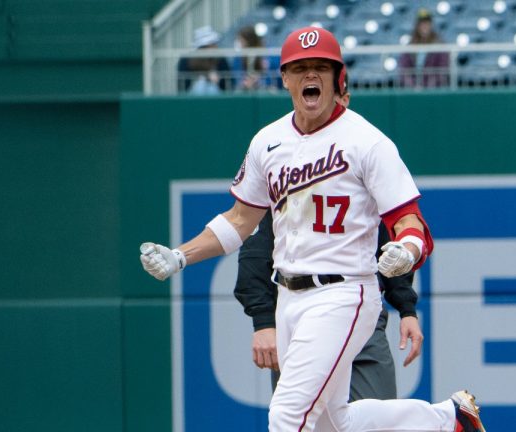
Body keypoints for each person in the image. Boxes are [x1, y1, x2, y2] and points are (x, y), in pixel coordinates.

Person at [140, 26, 486, 432]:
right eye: (300, 67)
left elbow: (410, 221)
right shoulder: (267, 142)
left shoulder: (367, 141)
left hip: (344, 292)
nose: (311, 75)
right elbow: (240, 221)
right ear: (284, 78)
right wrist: (181, 255)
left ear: (338, 77)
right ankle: (450, 418)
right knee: (334, 421)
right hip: (288, 297)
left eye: (321, 67)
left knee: (286, 415)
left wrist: (407, 249)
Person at [235, 212, 422, 401]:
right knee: (297, 419)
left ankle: (447, 417)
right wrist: (263, 322)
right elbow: (256, 253)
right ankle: (448, 415)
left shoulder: (364, 182)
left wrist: (407, 309)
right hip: (300, 311)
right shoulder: (279, 183)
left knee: (381, 418)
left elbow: (388, 245)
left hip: (360, 307)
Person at [399, 9, 449, 89]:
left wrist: (429, 86)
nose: (424, 26)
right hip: (413, 90)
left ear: (431, 25)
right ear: (417, 26)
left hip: (434, 90)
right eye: (422, 23)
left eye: (427, 23)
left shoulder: (439, 45)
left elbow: (442, 70)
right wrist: (413, 86)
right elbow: (404, 69)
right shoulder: (411, 45)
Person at [177, 25, 232, 94]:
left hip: (217, 98)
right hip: (193, 99)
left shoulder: (220, 59)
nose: (215, 46)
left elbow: (227, 84)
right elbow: (183, 87)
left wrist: (217, 80)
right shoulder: (186, 60)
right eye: (211, 44)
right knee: (201, 85)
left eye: (214, 43)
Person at [231, 25, 281, 92]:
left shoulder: (266, 55)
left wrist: (259, 80)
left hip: (264, 89)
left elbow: (274, 78)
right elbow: (236, 78)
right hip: (245, 90)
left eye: (241, 40)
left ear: (249, 41)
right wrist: (245, 82)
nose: (240, 43)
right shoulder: (238, 58)